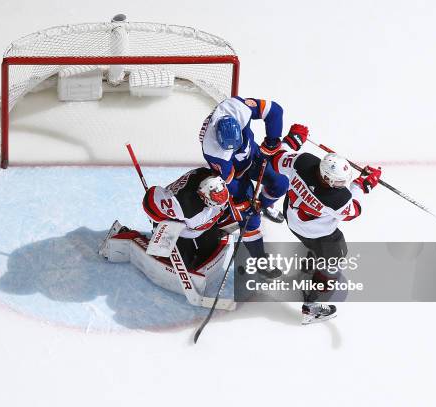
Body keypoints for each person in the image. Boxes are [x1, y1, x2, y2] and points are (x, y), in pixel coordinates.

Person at [270, 132, 382, 324]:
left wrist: (293, 139)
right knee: (334, 259)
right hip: (317, 233)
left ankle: (310, 265)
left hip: (292, 219)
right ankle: (311, 308)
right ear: (327, 178)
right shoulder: (335, 199)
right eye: (339, 181)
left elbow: (277, 159)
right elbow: (353, 211)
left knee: (317, 249)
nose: (343, 184)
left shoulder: (303, 161)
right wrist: (363, 184)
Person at [199, 96, 308, 260]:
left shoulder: (237, 107)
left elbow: (274, 110)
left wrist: (273, 142)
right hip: (235, 175)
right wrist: (244, 204)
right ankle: (259, 259)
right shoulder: (214, 152)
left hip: (254, 155)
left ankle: (265, 205)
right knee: (250, 220)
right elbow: (229, 182)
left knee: (281, 184)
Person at [98, 167, 233, 297]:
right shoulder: (184, 205)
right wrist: (165, 224)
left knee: (208, 251)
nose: (220, 205)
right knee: (175, 263)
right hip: (178, 228)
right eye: (216, 203)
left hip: (199, 227)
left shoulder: (213, 178)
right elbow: (150, 201)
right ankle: (127, 236)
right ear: (203, 196)